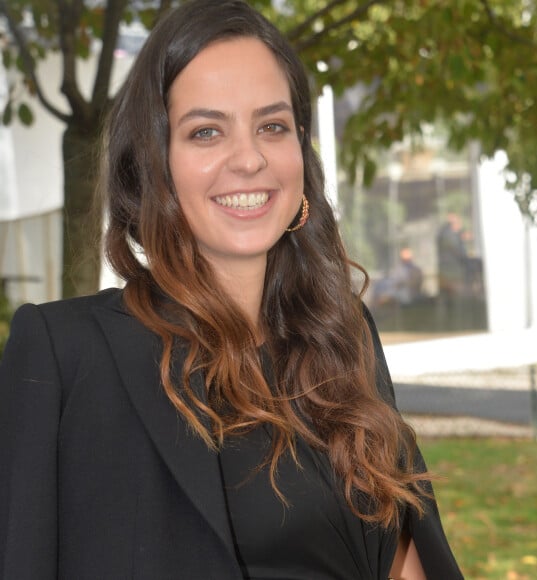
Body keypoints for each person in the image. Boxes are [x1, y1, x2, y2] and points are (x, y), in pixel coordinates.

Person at [0, 1, 463, 578]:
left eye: (272, 126)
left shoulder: (343, 336)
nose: (249, 159)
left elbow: (402, 560)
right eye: (206, 132)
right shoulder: (64, 352)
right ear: (155, 163)